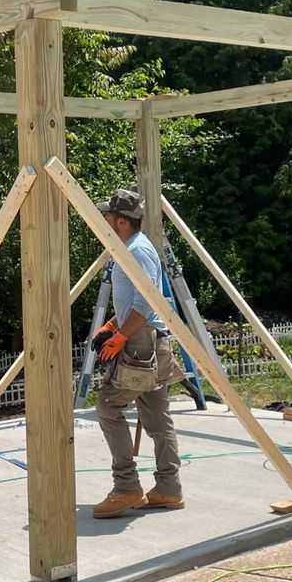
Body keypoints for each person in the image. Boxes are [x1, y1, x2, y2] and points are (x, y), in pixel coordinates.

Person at [88, 189, 183, 518]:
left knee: (107, 406)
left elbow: (146, 302)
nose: (105, 220)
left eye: (109, 217)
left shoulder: (137, 250)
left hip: (142, 343)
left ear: (122, 220)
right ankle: (169, 489)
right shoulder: (130, 248)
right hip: (146, 339)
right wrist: (113, 327)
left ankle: (127, 487)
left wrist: (121, 336)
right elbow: (132, 303)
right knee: (157, 417)